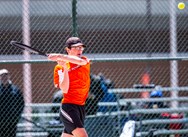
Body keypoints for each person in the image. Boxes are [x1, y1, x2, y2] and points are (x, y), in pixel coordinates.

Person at [48, 37, 90, 137]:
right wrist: (65, 68)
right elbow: (64, 89)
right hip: (69, 107)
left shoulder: (84, 60)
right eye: (76, 48)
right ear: (68, 49)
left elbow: (80, 62)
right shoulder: (59, 67)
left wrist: (60, 56)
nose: (80, 50)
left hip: (81, 107)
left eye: (81, 48)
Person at [0, 69, 25, 137]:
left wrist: (17, 116)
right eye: (2, 76)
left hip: (12, 120)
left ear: (9, 76)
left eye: (6, 75)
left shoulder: (15, 89)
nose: (4, 77)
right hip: (1, 119)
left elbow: (21, 103)